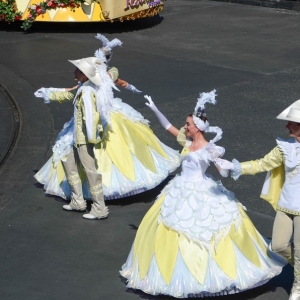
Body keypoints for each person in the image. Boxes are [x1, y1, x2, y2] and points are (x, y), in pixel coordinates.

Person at [120, 91, 285, 298]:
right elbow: (167, 127)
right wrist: (155, 109)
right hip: (180, 189)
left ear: (197, 127)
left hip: (201, 190)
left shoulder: (209, 148)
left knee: (206, 230)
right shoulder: (187, 143)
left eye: (188, 124)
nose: (185, 126)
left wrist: (224, 164)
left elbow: (223, 172)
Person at [34, 48, 181, 203]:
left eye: (77, 69)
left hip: (98, 124)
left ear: (85, 73)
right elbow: (115, 77)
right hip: (106, 117)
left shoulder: (87, 88)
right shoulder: (103, 77)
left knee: (111, 152)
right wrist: (48, 92)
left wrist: (48, 93)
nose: (74, 72)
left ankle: (97, 197)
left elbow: (71, 94)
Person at [215, 100, 300, 300]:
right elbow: (262, 164)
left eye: (291, 122)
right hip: (286, 205)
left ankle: (298, 285)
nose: (287, 125)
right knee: (278, 246)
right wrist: (235, 167)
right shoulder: (284, 147)